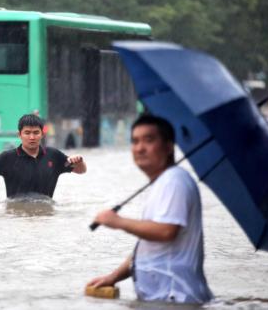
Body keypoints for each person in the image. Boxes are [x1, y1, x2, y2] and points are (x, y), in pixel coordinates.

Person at [86, 114, 213, 304]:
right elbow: (149, 248)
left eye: (149, 140)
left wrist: (118, 222)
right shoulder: (161, 183)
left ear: (169, 146)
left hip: (176, 299)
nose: (140, 148)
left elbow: (166, 231)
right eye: (135, 141)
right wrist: (114, 277)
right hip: (159, 300)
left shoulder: (174, 181)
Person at [0, 114, 86, 198]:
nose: (32, 137)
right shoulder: (8, 158)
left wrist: (79, 161)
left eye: (35, 132)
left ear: (42, 134)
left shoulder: (53, 155)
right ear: (19, 135)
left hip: (46, 217)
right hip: (16, 217)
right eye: (27, 133)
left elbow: (81, 171)